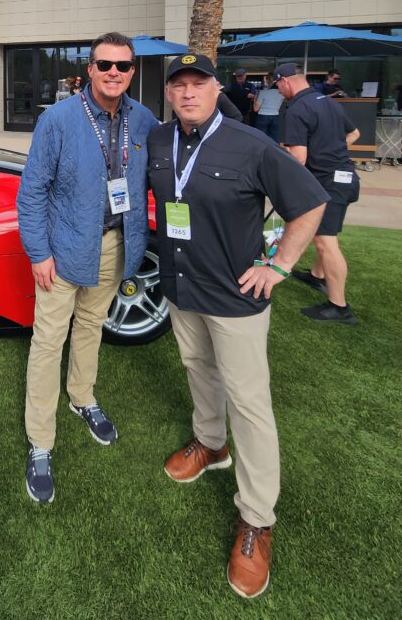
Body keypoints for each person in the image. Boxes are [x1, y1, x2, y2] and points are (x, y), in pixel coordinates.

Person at [148, 53, 328, 598]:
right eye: (177, 84)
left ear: (213, 87)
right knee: (198, 369)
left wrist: (279, 264)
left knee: (250, 401)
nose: (186, 92)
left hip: (236, 294)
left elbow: (309, 203)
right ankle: (210, 444)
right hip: (183, 288)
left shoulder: (251, 145)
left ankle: (256, 518)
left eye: (196, 83)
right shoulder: (159, 140)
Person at [17, 33, 158, 505]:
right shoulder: (58, 119)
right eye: (105, 64)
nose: (114, 72)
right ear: (90, 69)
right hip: (63, 248)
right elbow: (32, 191)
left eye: (122, 65)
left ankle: (82, 397)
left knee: (92, 325)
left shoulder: (144, 120)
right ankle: (41, 442)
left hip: (117, 246)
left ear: (132, 71)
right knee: (48, 341)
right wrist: (39, 253)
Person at [274, 63, 360, 324]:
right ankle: (316, 275)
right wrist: (328, 149)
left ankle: (339, 307)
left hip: (326, 183)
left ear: (285, 82)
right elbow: (354, 134)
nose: (278, 91)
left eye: (277, 86)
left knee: (325, 242)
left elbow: (298, 158)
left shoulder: (297, 109)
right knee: (326, 233)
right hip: (345, 178)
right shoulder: (329, 102)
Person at [253, 73, 284, 142]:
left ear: (267, 81)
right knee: (275, 138)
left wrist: (255, 99)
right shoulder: (281, 93)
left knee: (261, 138)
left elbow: (255, 109)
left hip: (262, 116)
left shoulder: (263, 92)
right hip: (276, 116)